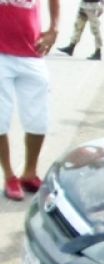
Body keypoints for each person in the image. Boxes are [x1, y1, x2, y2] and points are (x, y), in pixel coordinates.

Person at [0, 0, 60, 201]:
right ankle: (9, 176)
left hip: (32, 52)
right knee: (0, 118)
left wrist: (54, 28)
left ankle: (29, 173)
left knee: (39, 119)